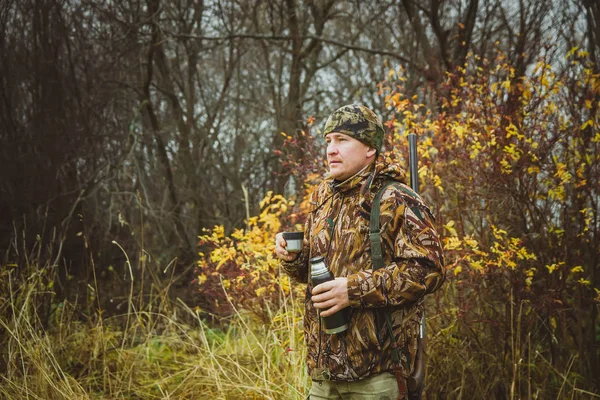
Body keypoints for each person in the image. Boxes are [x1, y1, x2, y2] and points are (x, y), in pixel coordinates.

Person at [275, 104, 445, 399]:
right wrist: (294, 258)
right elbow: (311, 274)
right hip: (324, 376)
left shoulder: (397, 198)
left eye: (342, 140)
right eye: (328, 141)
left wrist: (351, 290)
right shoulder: (322, 197)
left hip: (376, 377)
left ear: (369, 148)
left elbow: (428, 271)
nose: (331, 149)